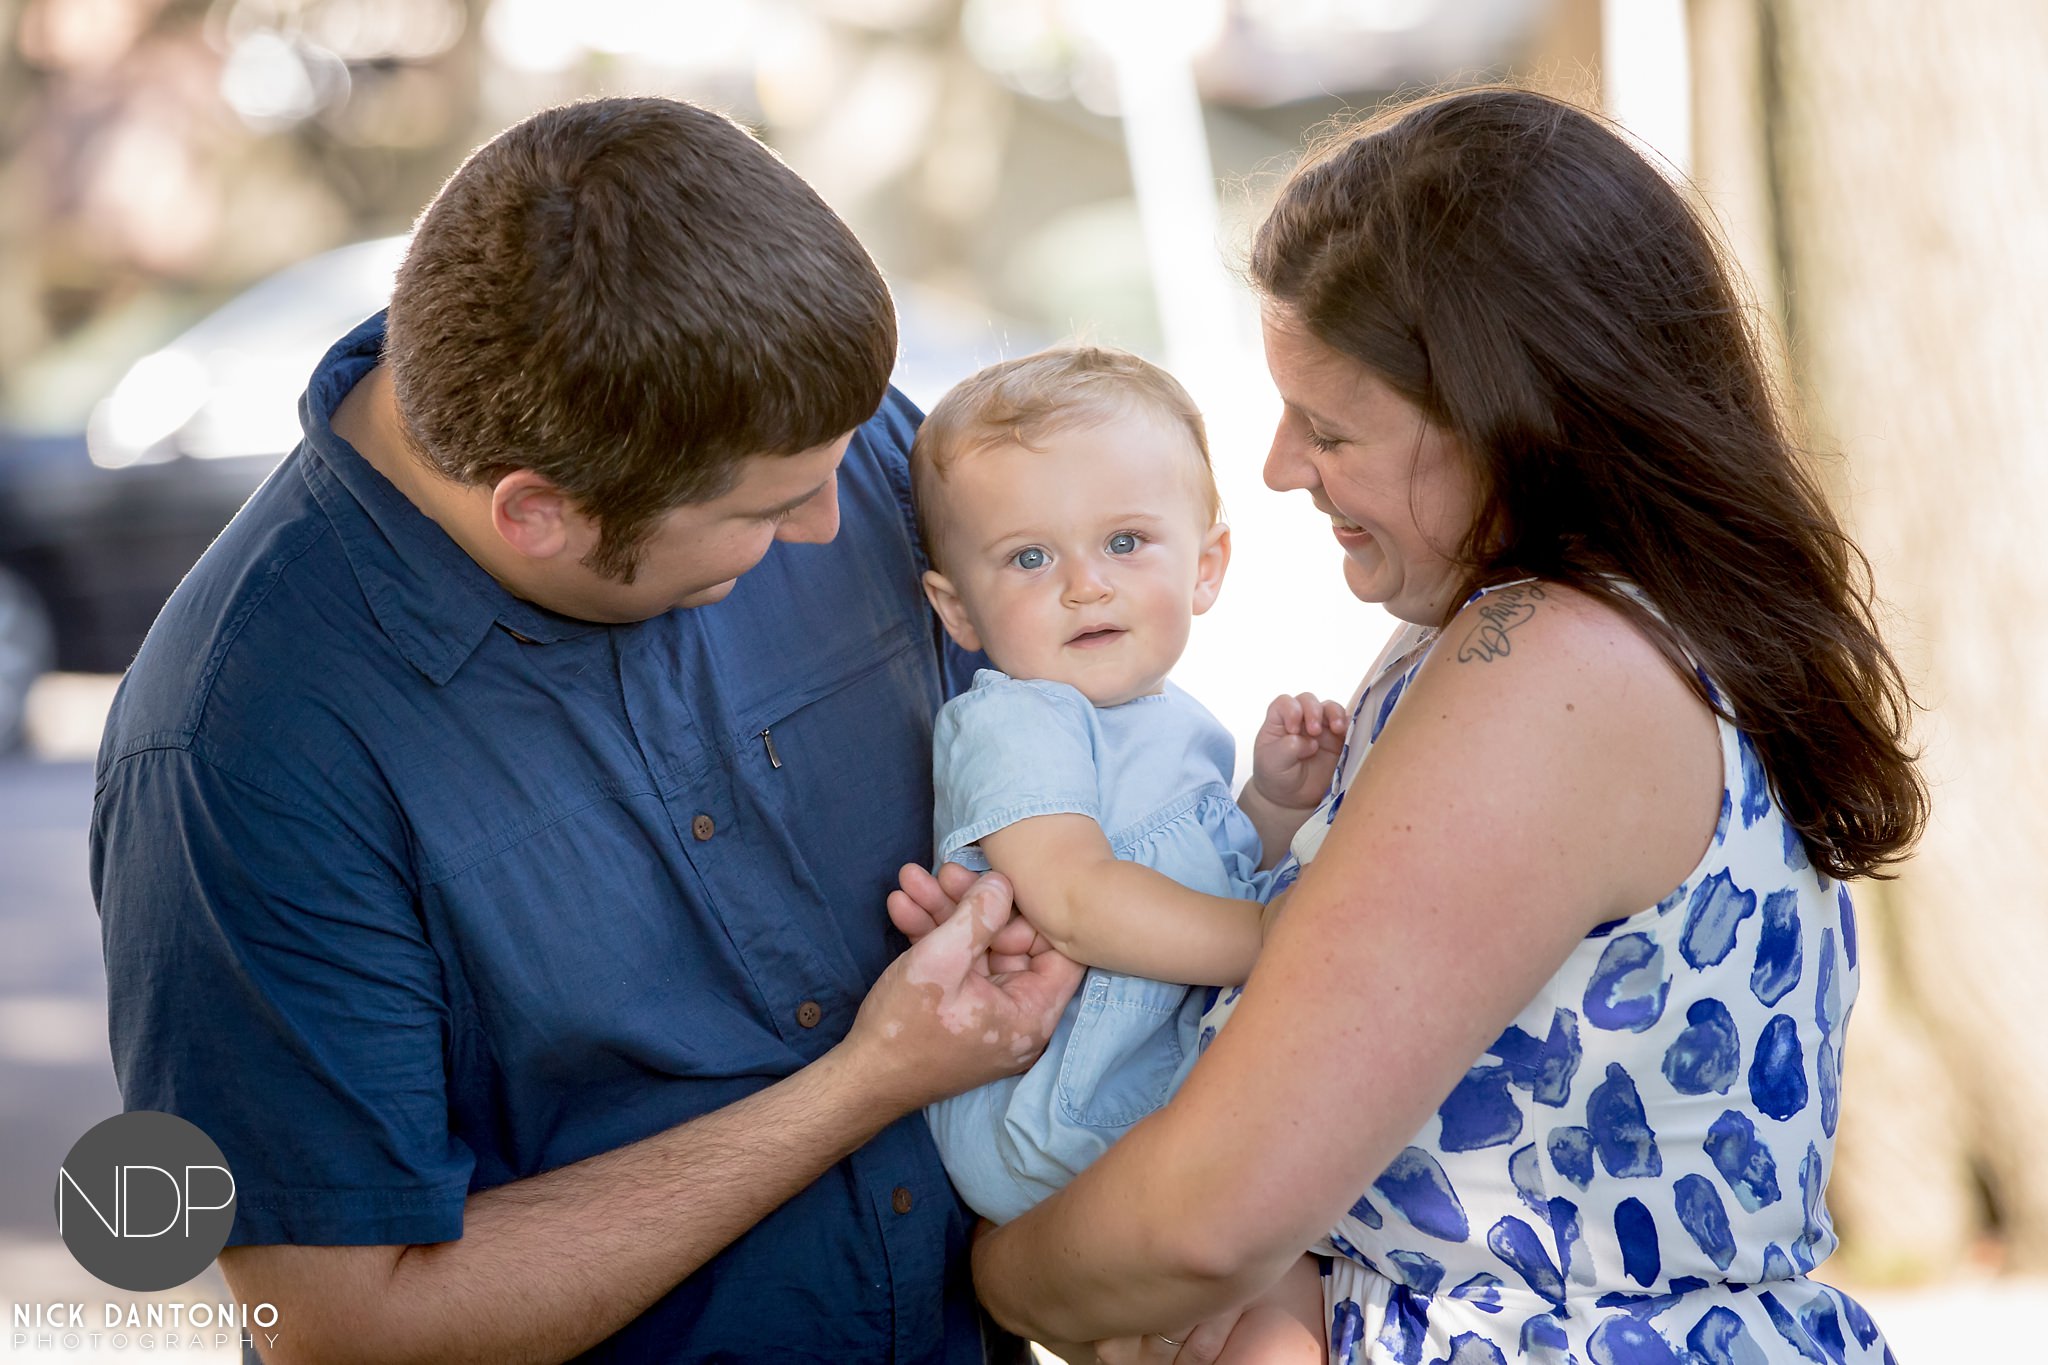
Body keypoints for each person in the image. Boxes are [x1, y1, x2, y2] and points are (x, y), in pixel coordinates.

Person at [914, 86, 1928, 1364]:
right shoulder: (1597, 626)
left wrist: (996, 1276)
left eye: (1329, 427)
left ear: (1503, 418)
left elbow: (1198, 1223)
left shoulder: (1544, 668)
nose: (1279, 467)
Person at [90, 96, 1081, 1364]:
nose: (836, 522)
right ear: (538, 514)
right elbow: (345, 1326)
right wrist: (866, 1083)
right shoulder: (240, 752)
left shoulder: (783, 424)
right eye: (765, 515)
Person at [896, 347, 1340, 1361]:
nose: (1084, 585)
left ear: (1206, 566)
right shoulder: (1014, 721)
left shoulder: (1170, 718)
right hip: (1068, 1114)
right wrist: (1286, 940)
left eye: (1125, 542)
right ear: (957, 609)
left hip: (1147, 1091)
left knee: (1283, 1318)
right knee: (1277, 1316)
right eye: (1028, 559)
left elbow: (1196, 873)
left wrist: (1269, 806)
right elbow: (1077, 898)